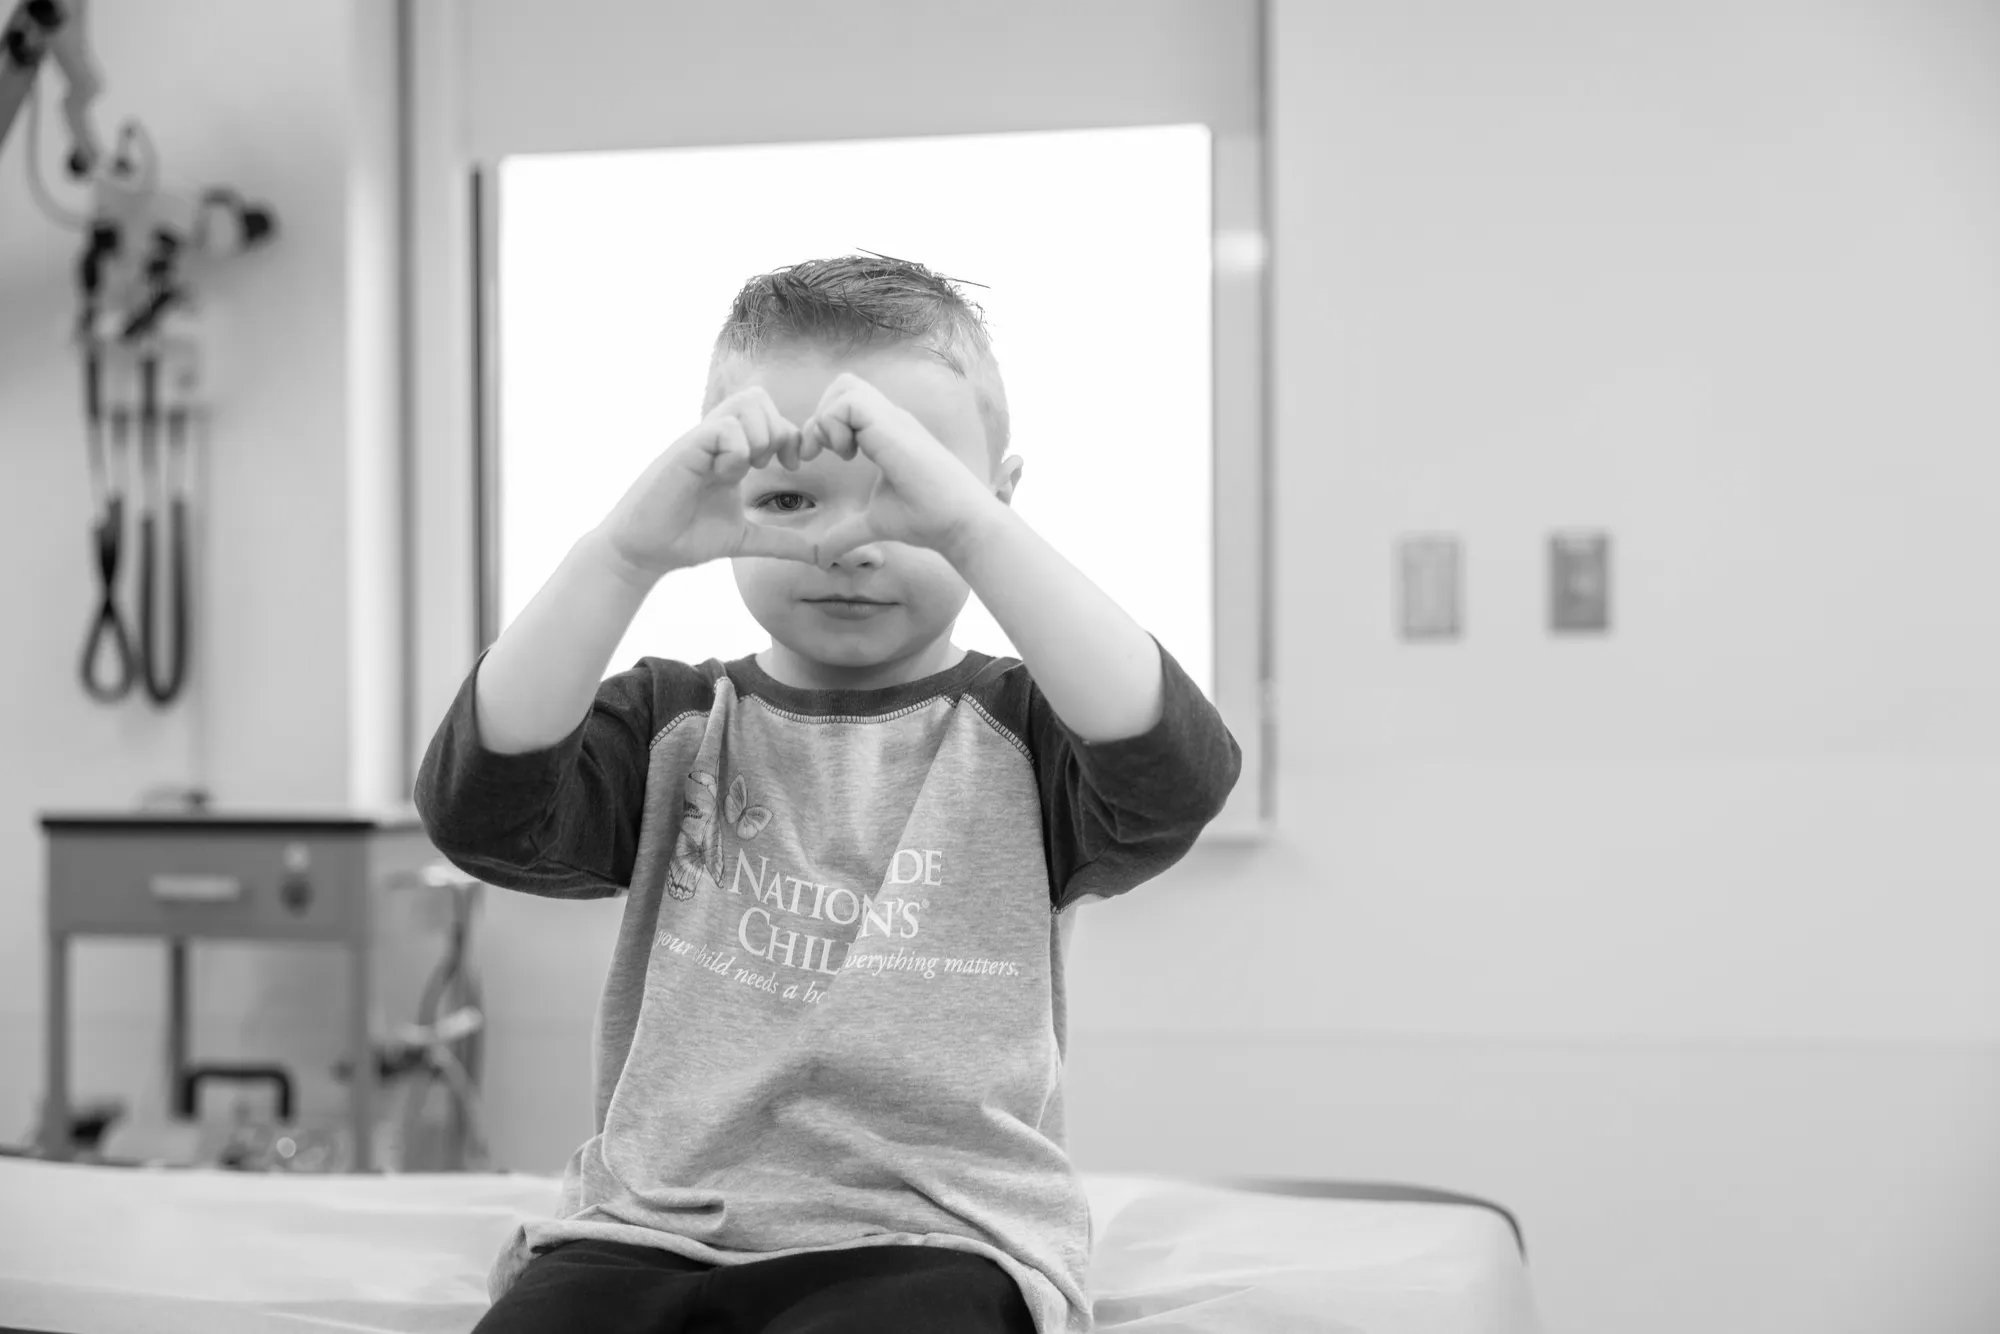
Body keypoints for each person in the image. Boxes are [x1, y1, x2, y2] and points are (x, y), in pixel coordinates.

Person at [414, 253, 1242, 1334]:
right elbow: (483, 805)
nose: (845, 541)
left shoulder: (1029, 733)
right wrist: (622, 553)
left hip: (930, 1240)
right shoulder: (673, 723)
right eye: (791, 497)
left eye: (905, 503)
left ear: (991, 500)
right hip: (644, 1231)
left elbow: (1175, 769)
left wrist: (977, 536)